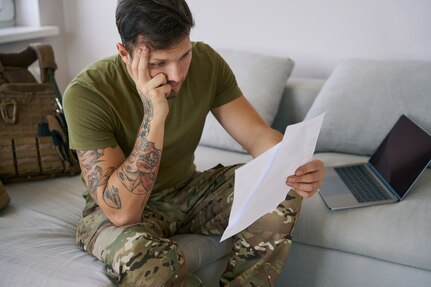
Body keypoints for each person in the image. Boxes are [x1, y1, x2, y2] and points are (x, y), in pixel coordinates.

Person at [63, 0, 325, 286]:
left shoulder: (206, 62)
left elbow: (258, 136)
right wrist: (153, 115)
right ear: (125, 54)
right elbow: (124, 213)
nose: (176, 75)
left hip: (189, 191)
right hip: (113, 213)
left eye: (184, 55)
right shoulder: (87, 93)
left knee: (280, 187)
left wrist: (295, 163)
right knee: (143, 258)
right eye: (158, 63)